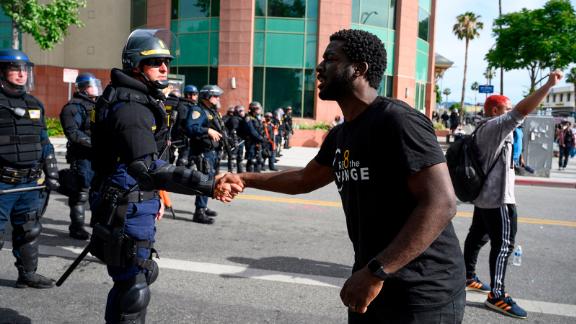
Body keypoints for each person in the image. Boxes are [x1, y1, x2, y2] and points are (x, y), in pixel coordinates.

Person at [219, 29, 465, 323]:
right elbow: (304, 180)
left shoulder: (398, 121)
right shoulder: (340, 135)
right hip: (368, 281)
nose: (319, 67)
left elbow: (442, 204)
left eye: (330, 59)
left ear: (358, 69)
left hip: (423, 292)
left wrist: (376, 273)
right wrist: (245, 178)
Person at [89, 29, 239, 323]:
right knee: (133, 285)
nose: (164, 68)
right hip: (126, 205)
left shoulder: (137, 98)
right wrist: (208, 185)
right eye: (155, 62)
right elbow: (147, 167)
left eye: (166, 62)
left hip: (134, 200)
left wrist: (155, 196)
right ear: (136, 65)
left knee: (136, 277)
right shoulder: (132, 106)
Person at [463, 70, 562, 320]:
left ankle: (467, 275)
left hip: (484, 198)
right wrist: (549, 84)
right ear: (496, 111)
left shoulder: (483, 128)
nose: (511, 111)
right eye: (507, 108)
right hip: (498, 200)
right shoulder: (497, 126)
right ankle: (497, 295)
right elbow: (523, 110)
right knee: (504, 245)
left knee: (477, 237)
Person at [0, 49, 60, 288]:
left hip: (29, 184)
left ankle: (28, 274)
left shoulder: (35, 104)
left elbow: (43, 141)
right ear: (2, 72)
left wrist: (52, 171)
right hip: (2, 183)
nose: (22, 73)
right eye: (15, 68)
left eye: (24, 69)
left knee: (29, 230)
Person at [59, 72, 102, 240]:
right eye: (93, 85)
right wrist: (95, 144)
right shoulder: (73, 107)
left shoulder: (99, 105)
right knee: (81, 192)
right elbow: (73, 133)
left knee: (99, 191)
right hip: (82, 156)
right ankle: (76, 227)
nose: (97, 89)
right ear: (83, 89)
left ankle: (97, 225)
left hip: (99, 156)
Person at [184, 84, 227, 224]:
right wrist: (207, 131)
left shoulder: (211, 111)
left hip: (211, 151)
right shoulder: (198, 110)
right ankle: (199, 212)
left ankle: (204, 206)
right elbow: (191, 127)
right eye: (215, 96)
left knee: (210, 179)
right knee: (205, 180)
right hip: (202, 151)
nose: (217, 98)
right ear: (207, 97)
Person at [243, 102, 266, 172]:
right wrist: (260, 138)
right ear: (253, 109)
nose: (259, 110)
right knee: (251, 160)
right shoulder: (248, 118)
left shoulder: (258, 118)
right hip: (251, 142)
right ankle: (250, 177)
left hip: (258, 142)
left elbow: (261, 129)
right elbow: (252, 131)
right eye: (258, 109)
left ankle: (257, 177)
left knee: (259, 160)